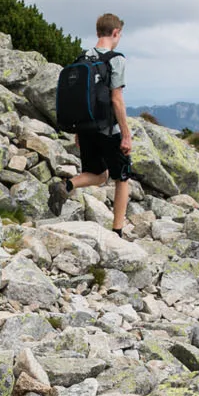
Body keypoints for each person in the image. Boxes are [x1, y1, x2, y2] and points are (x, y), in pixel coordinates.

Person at [48, 13, 133, 237]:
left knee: (98, 174)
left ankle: (66, 186)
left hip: (85, 126)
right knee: (122, 178)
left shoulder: (81, 58)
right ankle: (117, 231)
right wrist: (125, 135)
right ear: (115, 33)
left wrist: (78, 129)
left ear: (97, 32)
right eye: (120, 35)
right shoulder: (116, 59)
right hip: (108, 128)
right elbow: (116, 99)